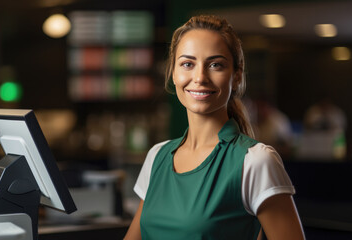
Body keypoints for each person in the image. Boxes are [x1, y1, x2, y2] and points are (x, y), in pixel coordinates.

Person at [124, 15, 304, 240]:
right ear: (173, 72)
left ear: (236, 76)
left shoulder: (256, 161)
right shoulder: (156, 157)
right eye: (187, 64)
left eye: (215, 65)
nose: (199, 77)